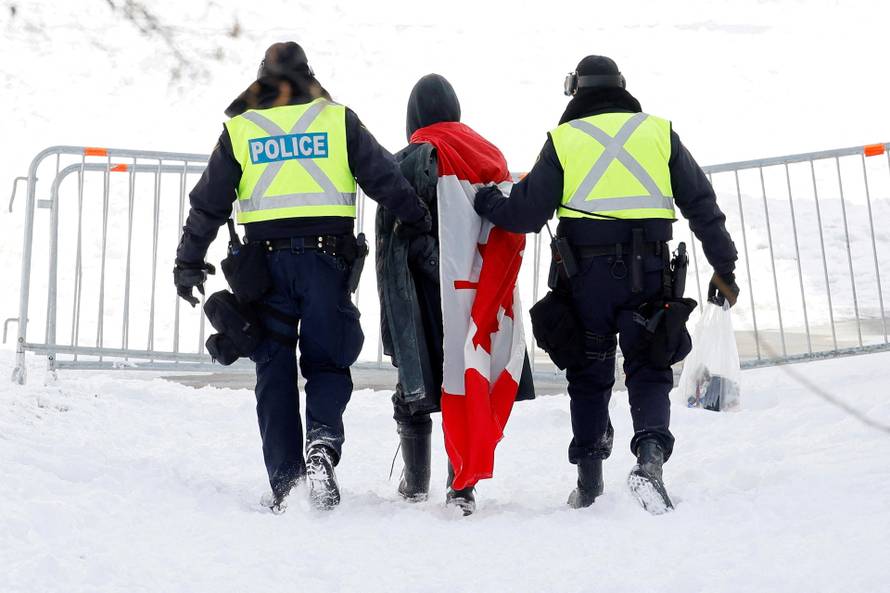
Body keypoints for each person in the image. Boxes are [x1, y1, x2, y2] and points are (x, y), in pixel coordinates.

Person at [473, 55, 739, 514]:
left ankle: (589, 481)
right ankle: (650, 462)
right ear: (621, 87)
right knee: (650, 365)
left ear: (576, 92)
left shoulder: (565, 140)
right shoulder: (658, 132)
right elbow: (701, 204)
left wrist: (489, 201)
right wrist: (724, 266)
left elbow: (527, 214)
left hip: (588, 278)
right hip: (652, 273)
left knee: (589, 371)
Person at [173, 42, 430, 512]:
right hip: (326, 265)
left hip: (264, 271)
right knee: (328, 363)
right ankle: (323, 444)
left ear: (261, 81)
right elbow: (385, 179)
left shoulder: (241, 129)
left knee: (273, 370)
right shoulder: (338, 120)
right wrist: (417, 220)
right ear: (308, 76)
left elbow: (208, 202)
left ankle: (287, 484)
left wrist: (188, 261)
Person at [376, 74, 534, 515]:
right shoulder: (493, 156)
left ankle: (415, 484)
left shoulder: (413, 157)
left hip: (427, 293)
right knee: (469, 382)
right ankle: (460, 487)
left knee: (417, 387)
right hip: (484, 293)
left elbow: (397, 241)